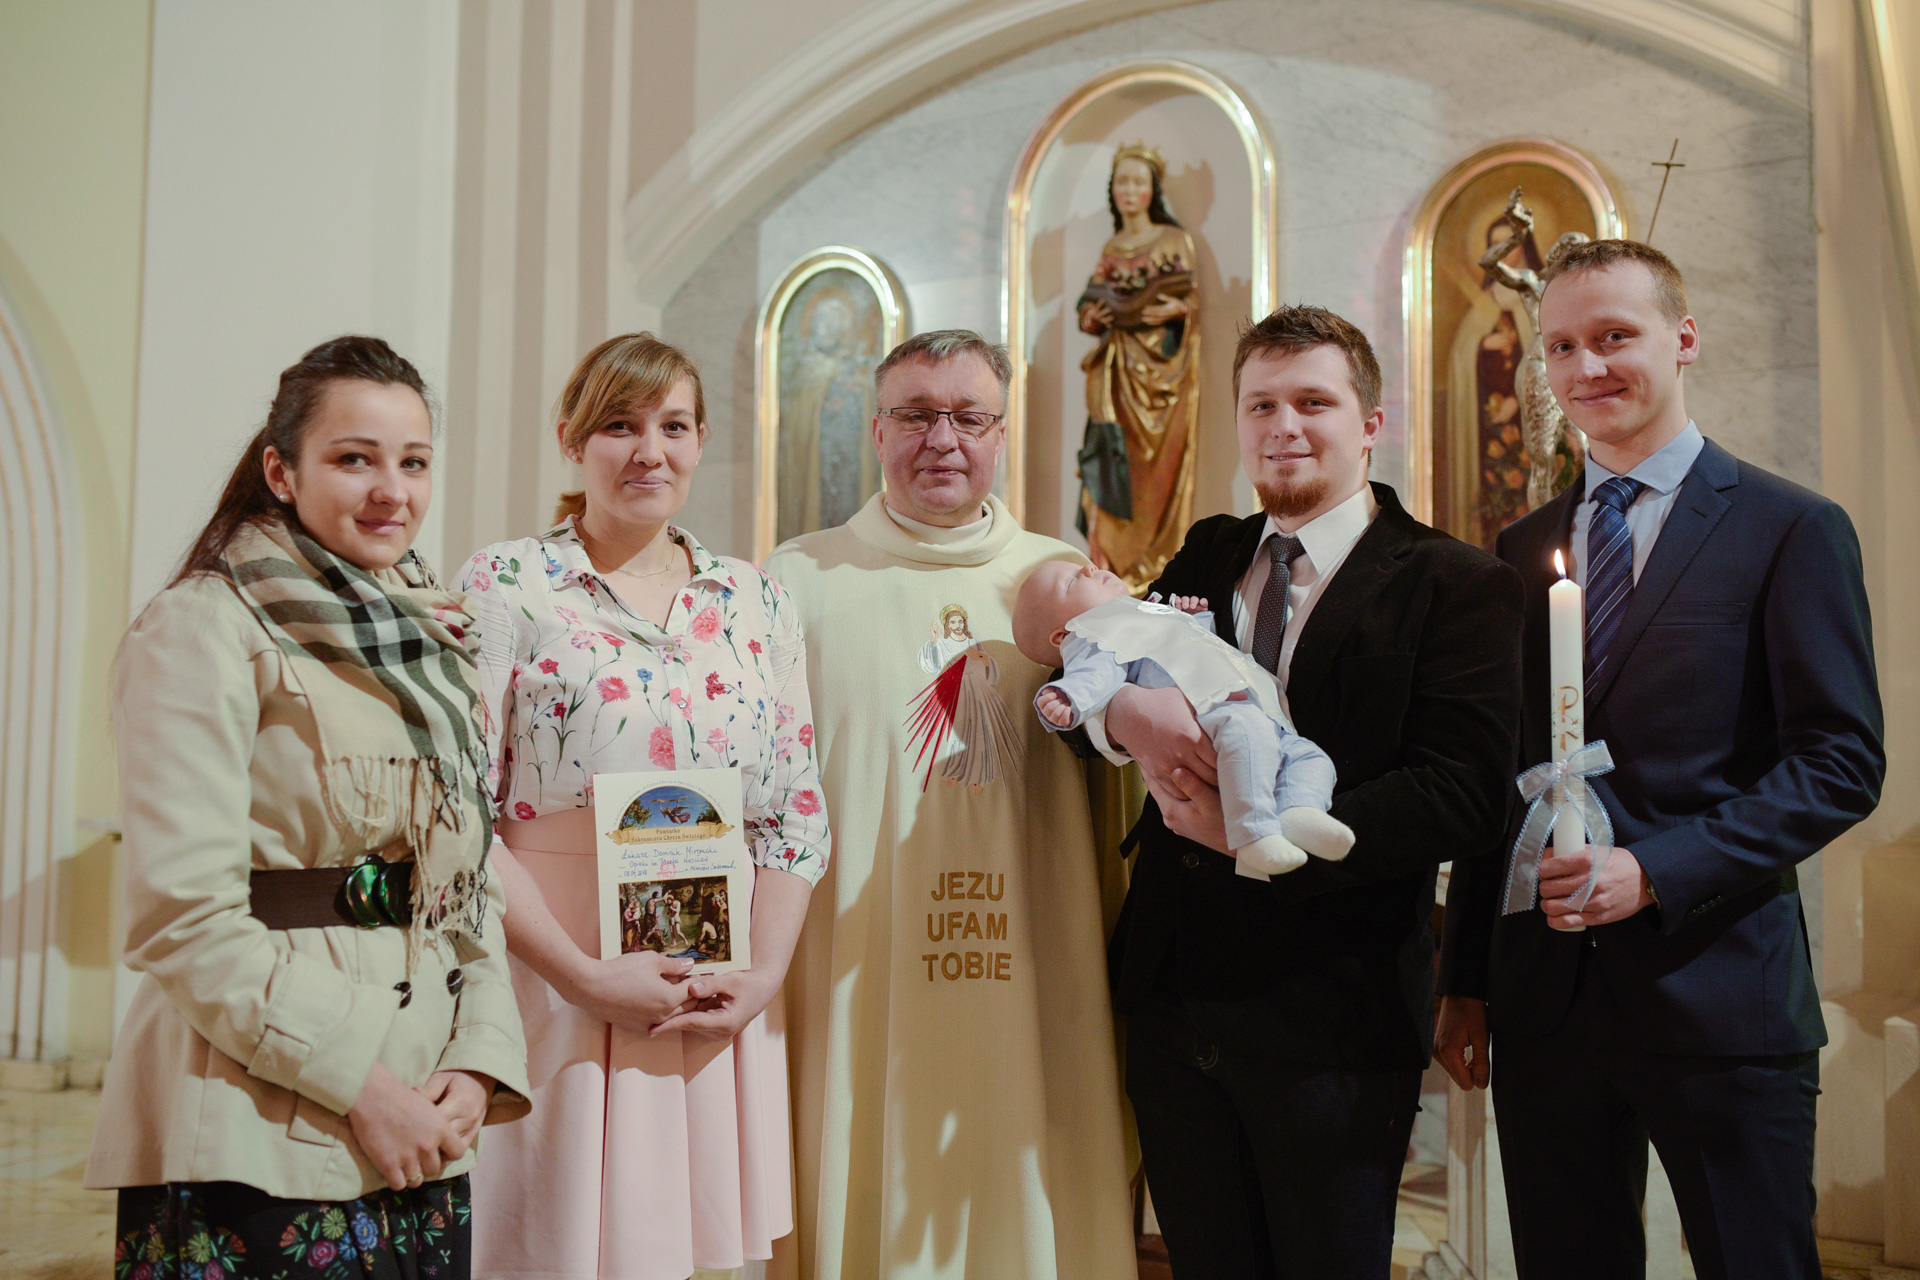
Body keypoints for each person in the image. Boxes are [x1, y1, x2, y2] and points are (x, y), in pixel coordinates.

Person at [1436, 240, 1886, 1280]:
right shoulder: (1520, 548)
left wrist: (1654, 869)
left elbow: (1839, 762)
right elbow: (1507, 778)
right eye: (1561, 346)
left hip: (1717, 992)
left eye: (1613, 336)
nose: (1586, 366)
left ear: (1683, 338)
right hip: (1548, 1004)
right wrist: (1467, 979)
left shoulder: (1790, 527)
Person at [1085, 306, 1525, 1277]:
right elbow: (1105, 668)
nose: (1284, 426)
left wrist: (1265, 832)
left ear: (1370, 422)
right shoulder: (1209, 549)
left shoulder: (1456, 582)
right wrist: (1120, 713)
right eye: (1261, 405)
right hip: (1173, 994)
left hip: (1333, 1011)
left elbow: (1465, 792)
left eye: (1313, 403)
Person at [85, 336, 530, 1278]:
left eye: (414, 462)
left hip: (427, 1113)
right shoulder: (202, 626)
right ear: (281, 472)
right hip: (260, 1115)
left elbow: (464, 880)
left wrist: (479, 1060)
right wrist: (362, 1085)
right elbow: (183, 920)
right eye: (354, 459)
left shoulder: (431, 637)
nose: (391, 491)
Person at [762, 330, 1136, 1280]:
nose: (944, 439)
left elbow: (1126, 781)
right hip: (852, 958)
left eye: (971, 417)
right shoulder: (795, 582)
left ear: (1002, 433)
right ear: (876, 431)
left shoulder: (1063, 581)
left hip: (1036, 949)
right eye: (917, 415)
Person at [460, 334, 830, 1280]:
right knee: (548, 1240)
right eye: (620, 426)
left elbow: (794, 812)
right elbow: (458, 807)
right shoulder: (508, 584)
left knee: (690, 1247)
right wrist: (583, 974)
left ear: (701, 440)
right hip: (551, 964)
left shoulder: (755, 601)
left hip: (713, 976)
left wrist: (763, 977)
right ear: (571, 439)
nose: (649, 451)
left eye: (673, 426)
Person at [1012, 560, 1352, 876]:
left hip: (1255, 703)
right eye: (1071, 582)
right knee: (1247, 735)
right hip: (1214, 707)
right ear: (1064, 635)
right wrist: (1070, 697)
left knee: (1310, 757)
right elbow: (1093, 675)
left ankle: (1300, 811)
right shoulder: (1097, 634)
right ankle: (1254, 833)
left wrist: (1195, 617)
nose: (1088, 568)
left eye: (1082, 567)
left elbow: (1197, 645)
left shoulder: (1145, 610)